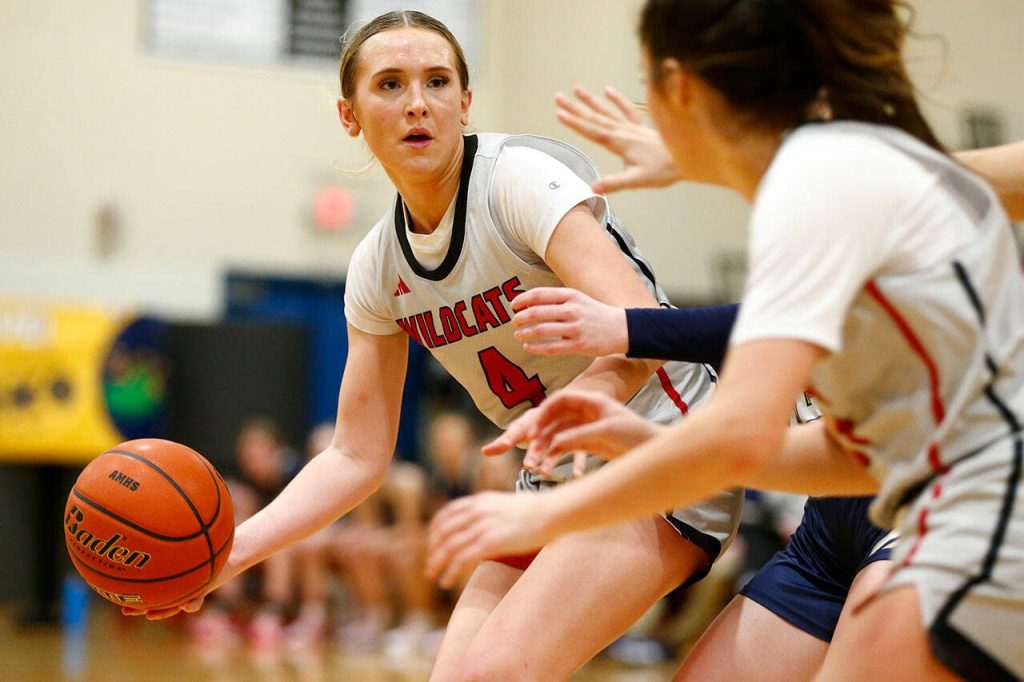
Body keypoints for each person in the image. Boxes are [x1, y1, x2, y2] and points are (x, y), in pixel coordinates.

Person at [128, 10, 743, 681]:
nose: (417, 102)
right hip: (550, 475)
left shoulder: (516, 183)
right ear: (350, 114)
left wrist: (578, 409)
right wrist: (233, 555)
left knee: (494, 673)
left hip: (662, 441)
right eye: (389, 84)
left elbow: (640, 327)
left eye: (437, 82)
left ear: (465, 102)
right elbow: (357, 453)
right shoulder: (377, 268)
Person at [426, 1, 1024, 679]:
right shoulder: (839, 176)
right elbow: (851, 454)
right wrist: (642, 442)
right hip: (906, 506)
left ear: (680, 87)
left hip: (981, 522)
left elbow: (741, 433)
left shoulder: (818, 193)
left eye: (647, 78)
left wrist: (549, 514)